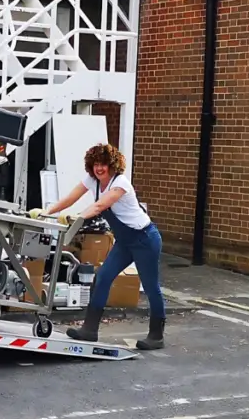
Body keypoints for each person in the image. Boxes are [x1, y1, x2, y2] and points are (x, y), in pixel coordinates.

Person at [28, 143, 165, 351]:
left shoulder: (121, 183)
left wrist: (77, 218)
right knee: (102, 278)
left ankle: (156, 335)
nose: (99, 169)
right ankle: (89, 330)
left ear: (112, 165)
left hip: (145, 240)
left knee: (150, 286)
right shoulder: (92, 181)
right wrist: (47, 212)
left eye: (103, 164)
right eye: (95, 164)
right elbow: (71, 198)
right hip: (124, 242)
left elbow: (100, 206)